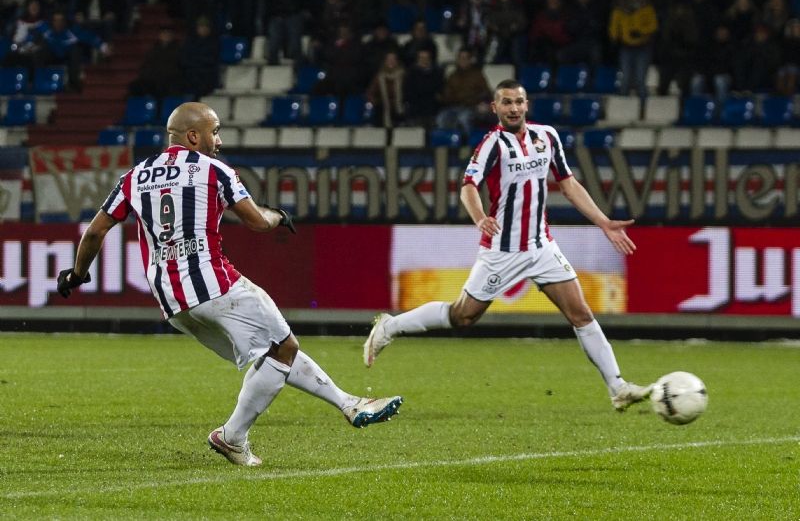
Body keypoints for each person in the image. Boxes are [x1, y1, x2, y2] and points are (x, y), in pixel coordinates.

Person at [56, 102, 403, 467]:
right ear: (194, 136)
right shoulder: (214, 170)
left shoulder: (135, 176)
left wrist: (77, 275)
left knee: (275, 350)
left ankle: (349, 403)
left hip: (171, 300)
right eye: (215, 131)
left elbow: (94, 231)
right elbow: (256, 221)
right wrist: (278, 215)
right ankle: (232, 436)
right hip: (213, 283)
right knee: (283, 347)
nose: (218, 140)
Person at [363, 79, 651, 412]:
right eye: (506, 102)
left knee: (581, 313)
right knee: (463, 316)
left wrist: (603, 221)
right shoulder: (492, 144)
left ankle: (618, 388)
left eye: (518, 102)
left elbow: (568, 184)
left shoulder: (547, 137)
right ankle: (391, 326)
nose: (513, 108)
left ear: (527, 105)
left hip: (542, 246)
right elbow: (468, 186)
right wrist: (479, 217)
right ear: (495, 108)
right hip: (502, 250)